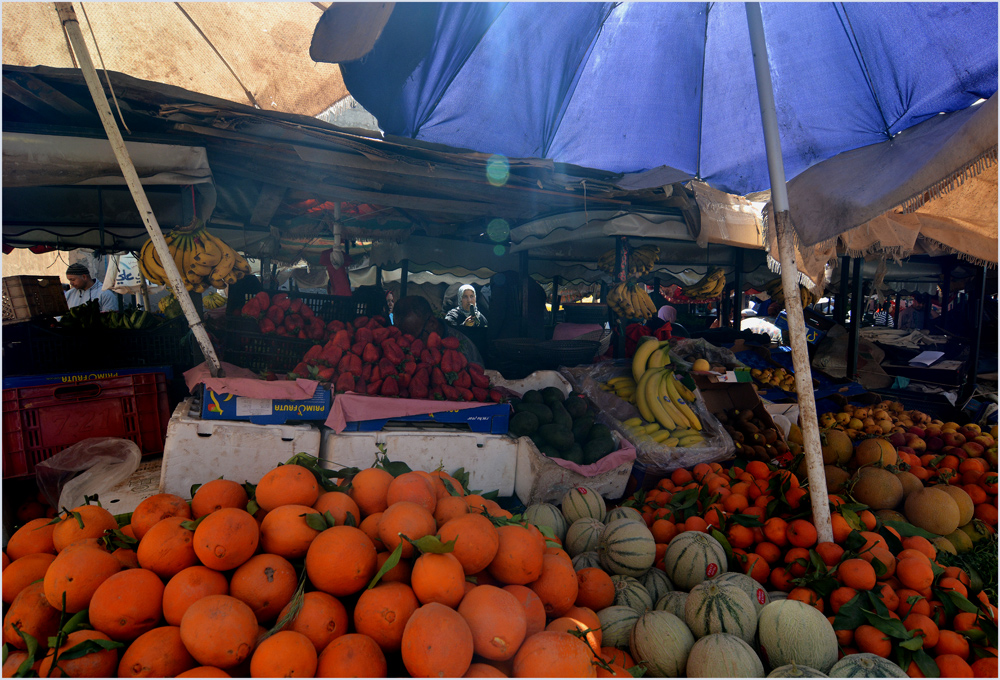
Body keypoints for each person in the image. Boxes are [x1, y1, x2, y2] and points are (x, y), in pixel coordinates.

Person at [393, 295, 483, 365]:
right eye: (403, 338)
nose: (409, 346)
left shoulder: (464, 350)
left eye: (416, 339)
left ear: (432, 323)